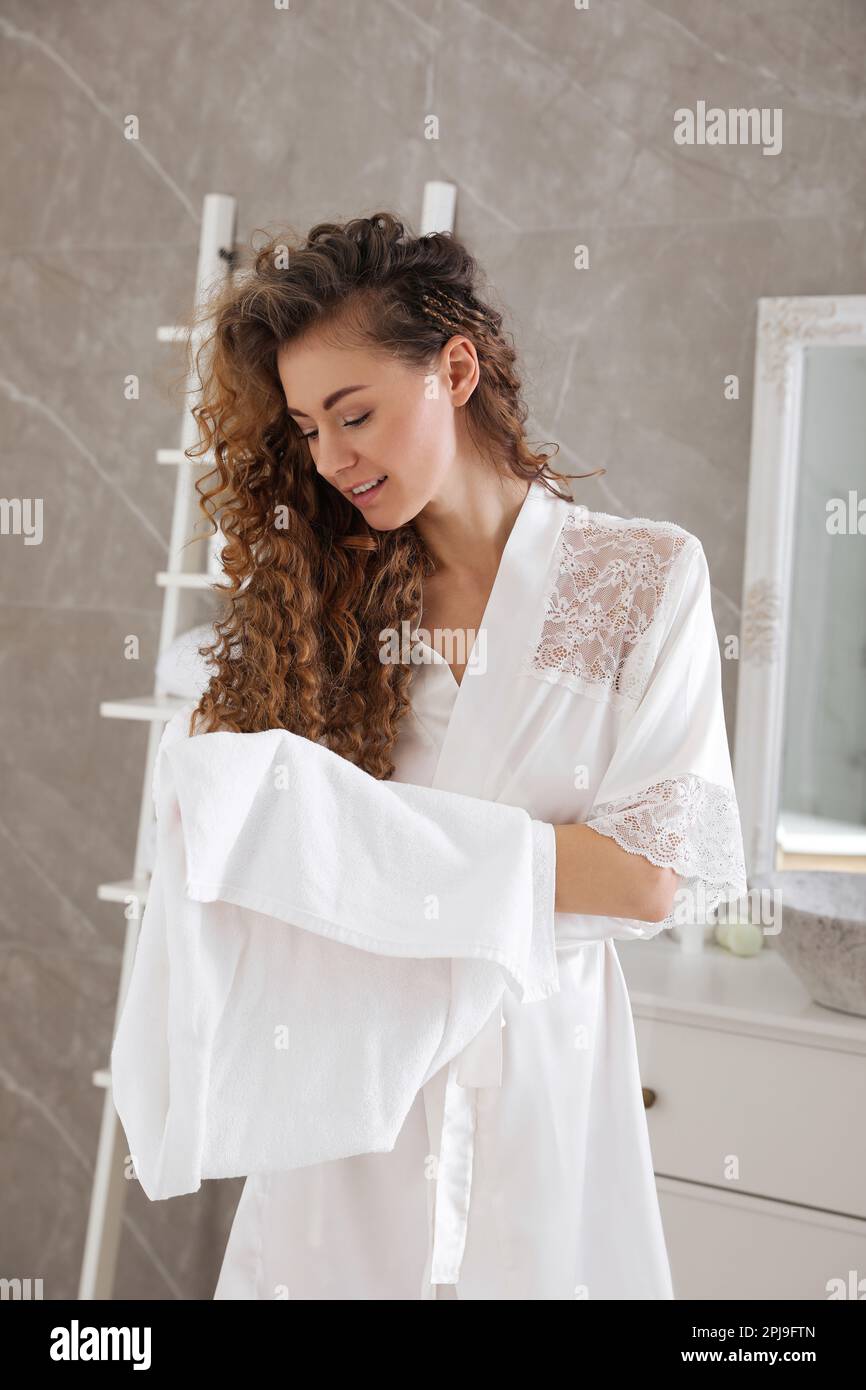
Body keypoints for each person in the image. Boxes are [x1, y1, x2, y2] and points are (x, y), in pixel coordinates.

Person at [174, 211, 747, 1299]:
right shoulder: (320, 611)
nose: (332, 457)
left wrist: (357, 846)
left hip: (539, 1081)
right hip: (350, 1093)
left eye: (356, 412)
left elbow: (643, 875)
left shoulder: (643, 579)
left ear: (454, 367)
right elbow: (249, 845)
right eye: (306, 427)